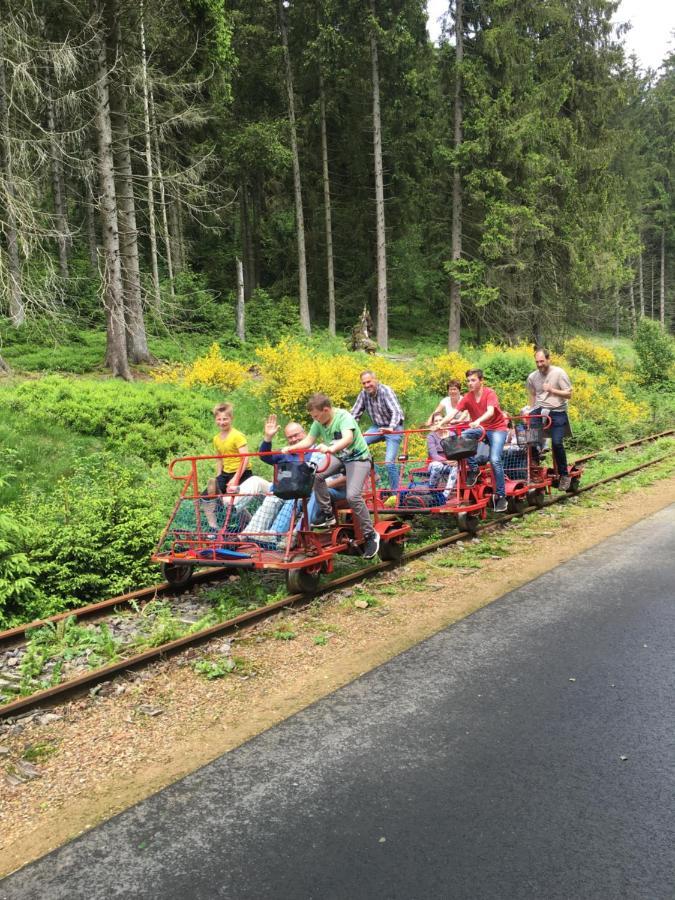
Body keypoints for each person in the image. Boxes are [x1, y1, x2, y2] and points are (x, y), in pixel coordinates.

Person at [283, 393, 379, 559]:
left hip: (358, 458)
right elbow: (308, 441)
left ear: (326, 409)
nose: (315, 419)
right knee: (316, 475)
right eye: (313, 417)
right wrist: (291, 448)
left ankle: (370, 535)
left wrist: (330, 449)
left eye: (317, 416)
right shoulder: (318, 422)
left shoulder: (344, 417)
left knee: (353, 495)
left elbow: (348, 439)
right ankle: (328, 515)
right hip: (340, 457)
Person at [445, 369, 509, 512]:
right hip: (481, 427)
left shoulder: (489, 393)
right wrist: (440, 423)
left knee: (495, 460)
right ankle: (474, 469)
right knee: (464, 437)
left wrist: (478, 420)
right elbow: (453, 413)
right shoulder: (467, 397)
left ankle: (501, 496)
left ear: (481, 381)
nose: (470, 383)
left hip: (497, 429)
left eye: (473, 380)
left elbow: (490, 411)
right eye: (468, 381)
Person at [527, 348, 573, 490]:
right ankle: (536, 458)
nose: (539, 364)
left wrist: (552, 390)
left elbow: (569, 394)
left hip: (557, 411)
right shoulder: (532, 377)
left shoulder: (559, 373)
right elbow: (533, 394)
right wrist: (531, 408)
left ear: (548, 359)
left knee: (557, 443)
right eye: (537, 362)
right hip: (540, 411)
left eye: (542, 361)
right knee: (530, 437)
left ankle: (564, 475)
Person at [350, 371, 405, 491]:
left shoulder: (386, 391)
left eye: (369, 382)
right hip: (378, 427)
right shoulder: (363, 394)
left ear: (376, 380)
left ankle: (395, 493)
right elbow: (354, 413)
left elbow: (396, 411)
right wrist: (347, 429)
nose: (366, 385)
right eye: (363, 383)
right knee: (357, 447)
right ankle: (374, 474)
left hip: (394, 427)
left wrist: (391, 427)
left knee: (389, 462)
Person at [426, 412, 458, 493]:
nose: (438, 422)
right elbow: (434, 455)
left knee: (456, 467)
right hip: (436, 463)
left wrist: (455, 460)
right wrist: (447, 461)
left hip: (450, 463)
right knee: (438, 465)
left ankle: (445, 495)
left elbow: (456, 450)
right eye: (436, 421)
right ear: (433, 423)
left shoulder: (452, 434)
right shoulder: (431, 436)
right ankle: (432, 490)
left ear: (444, 421)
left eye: (441, 420)